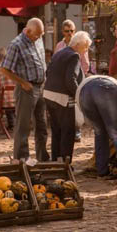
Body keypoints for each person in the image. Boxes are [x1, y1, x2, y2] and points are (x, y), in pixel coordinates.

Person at [0, 17, 49, 162]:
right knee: (23, 126)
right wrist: (22, 83)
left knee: (42, 125)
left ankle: (42, 158)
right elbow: (4, 69)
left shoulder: (38, 39)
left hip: (40, 87)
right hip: (26, 89)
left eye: (41, 35)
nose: (39, 37)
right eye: (36, 35)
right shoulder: (16, 44)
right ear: (27, 31)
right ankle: (22, 159)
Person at [75, 75, 117, 181]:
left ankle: (102, 170)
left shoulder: (89, 81)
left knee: (99, 132)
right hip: (107, 89)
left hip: (83, 93)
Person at [44, 32, 87, 162]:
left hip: (49, 95)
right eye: (85, 47)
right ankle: (65, 162)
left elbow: (48, 71)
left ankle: (56, 159)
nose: (85, 50)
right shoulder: (74, 56)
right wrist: (79, 95)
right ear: (78, 44)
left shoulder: (59, 53)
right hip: (62, 98)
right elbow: (70, 79)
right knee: (68, 131)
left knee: (56, 130)